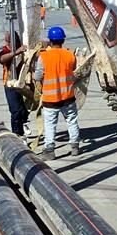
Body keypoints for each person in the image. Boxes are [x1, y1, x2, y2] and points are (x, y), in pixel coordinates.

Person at [33, 26, 80, 160]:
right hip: (68, 96)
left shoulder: (44, 56)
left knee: (50, 124)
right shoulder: (70, 55)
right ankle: (75, 147)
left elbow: (37, 76)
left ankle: (50, 150)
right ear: (63, 40)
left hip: (51, 98)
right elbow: (73, 69)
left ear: (50, 40)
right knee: (72, 121)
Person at [0, 32, 28, 137]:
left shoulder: (22, 48)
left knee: (24, 110)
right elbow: (2, 59)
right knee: (15, 111)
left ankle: (24, 123)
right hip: (10, 83)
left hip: (23, 82)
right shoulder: (6, 50)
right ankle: (17, 133)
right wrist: (15, 52)